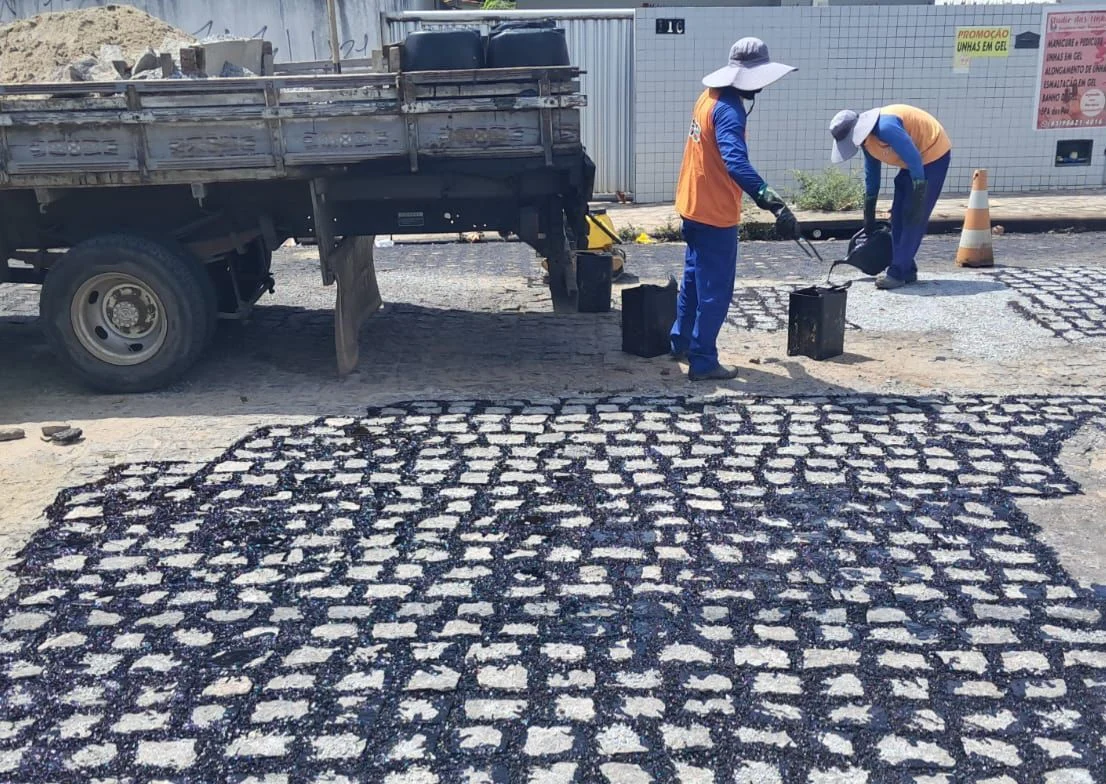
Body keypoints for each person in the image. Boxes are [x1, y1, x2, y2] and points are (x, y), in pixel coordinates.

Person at [671, 37, 801, 382]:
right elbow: (736, 163)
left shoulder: (707, 98)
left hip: (692, 204)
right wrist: (774, 203)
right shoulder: (729, 110)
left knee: (693, 281)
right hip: (714, 214)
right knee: (715, 289)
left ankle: (679, 341)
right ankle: (703, 361)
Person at [828, 104, 951, 290]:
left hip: (933, 155)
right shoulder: (867, 142)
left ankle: (897, 272)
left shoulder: (886, 128)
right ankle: (907, 268)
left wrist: (919, 193)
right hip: (912, 163)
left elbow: (914, 158)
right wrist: (868, 213)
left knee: (912, 216)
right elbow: (872, 175)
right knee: (898, 215)